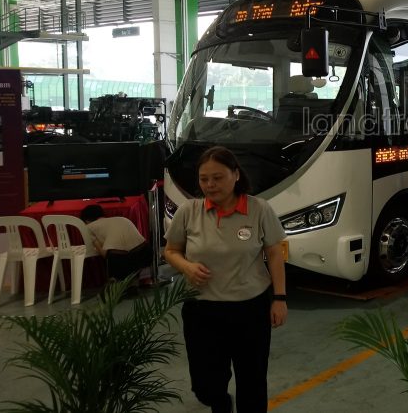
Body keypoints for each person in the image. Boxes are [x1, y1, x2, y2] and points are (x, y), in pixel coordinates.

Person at [163, 146, 287, 413]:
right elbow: (171, 251)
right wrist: (186, 266)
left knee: (252, 380)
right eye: (204, 178)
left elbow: (275, 253)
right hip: (201, 312)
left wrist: (279, 298)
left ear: (236, 175)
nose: (210, 185)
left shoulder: (259, 209)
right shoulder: (188, 211)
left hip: (250, 309)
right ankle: (220, 402)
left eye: (217, 178)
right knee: (206, 384)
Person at [79, 204, 150, 283]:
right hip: (144, 253)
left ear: (86, 221)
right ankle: (145, 279)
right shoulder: (122, 218)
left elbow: (104, 254)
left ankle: (120, 283)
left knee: (112, 256)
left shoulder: (89, 227)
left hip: (120, 259)